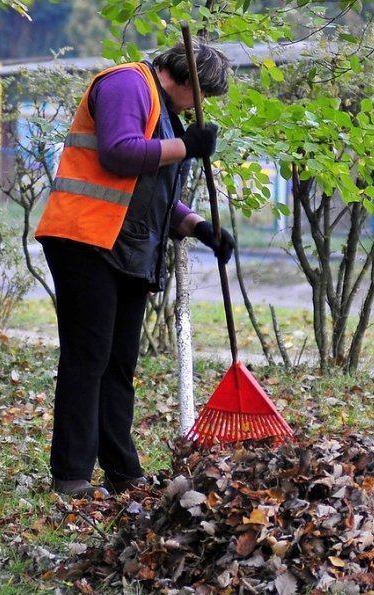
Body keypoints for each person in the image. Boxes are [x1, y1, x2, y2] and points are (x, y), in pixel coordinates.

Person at [35, 42, 234, 498]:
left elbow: (150, 188)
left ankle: (122, 471)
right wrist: (186, 146)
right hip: (85, 239)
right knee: (89, 360)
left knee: (119, 364)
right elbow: (120, 154)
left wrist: (198, 226)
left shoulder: (164, 109)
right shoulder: (127, 83)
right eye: (204, 96)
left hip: (125, 247)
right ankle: (71, 477)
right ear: (188, 80)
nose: (200, 107)